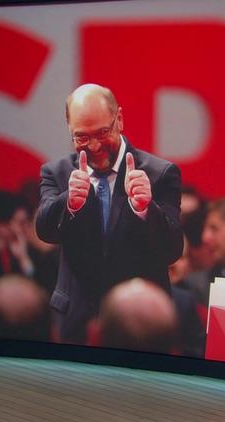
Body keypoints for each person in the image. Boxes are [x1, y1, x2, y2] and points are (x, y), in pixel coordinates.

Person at [36, 83, 183, 343]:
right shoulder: (56, 173)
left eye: (102, 133)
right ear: (70, 131)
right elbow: (45, 230)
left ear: (120, 120)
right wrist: (69, 202)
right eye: (82, 137)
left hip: (139, 324)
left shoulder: (159, 173)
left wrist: (146, 209)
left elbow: (172, 250)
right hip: (76, 321)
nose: (94, 146)